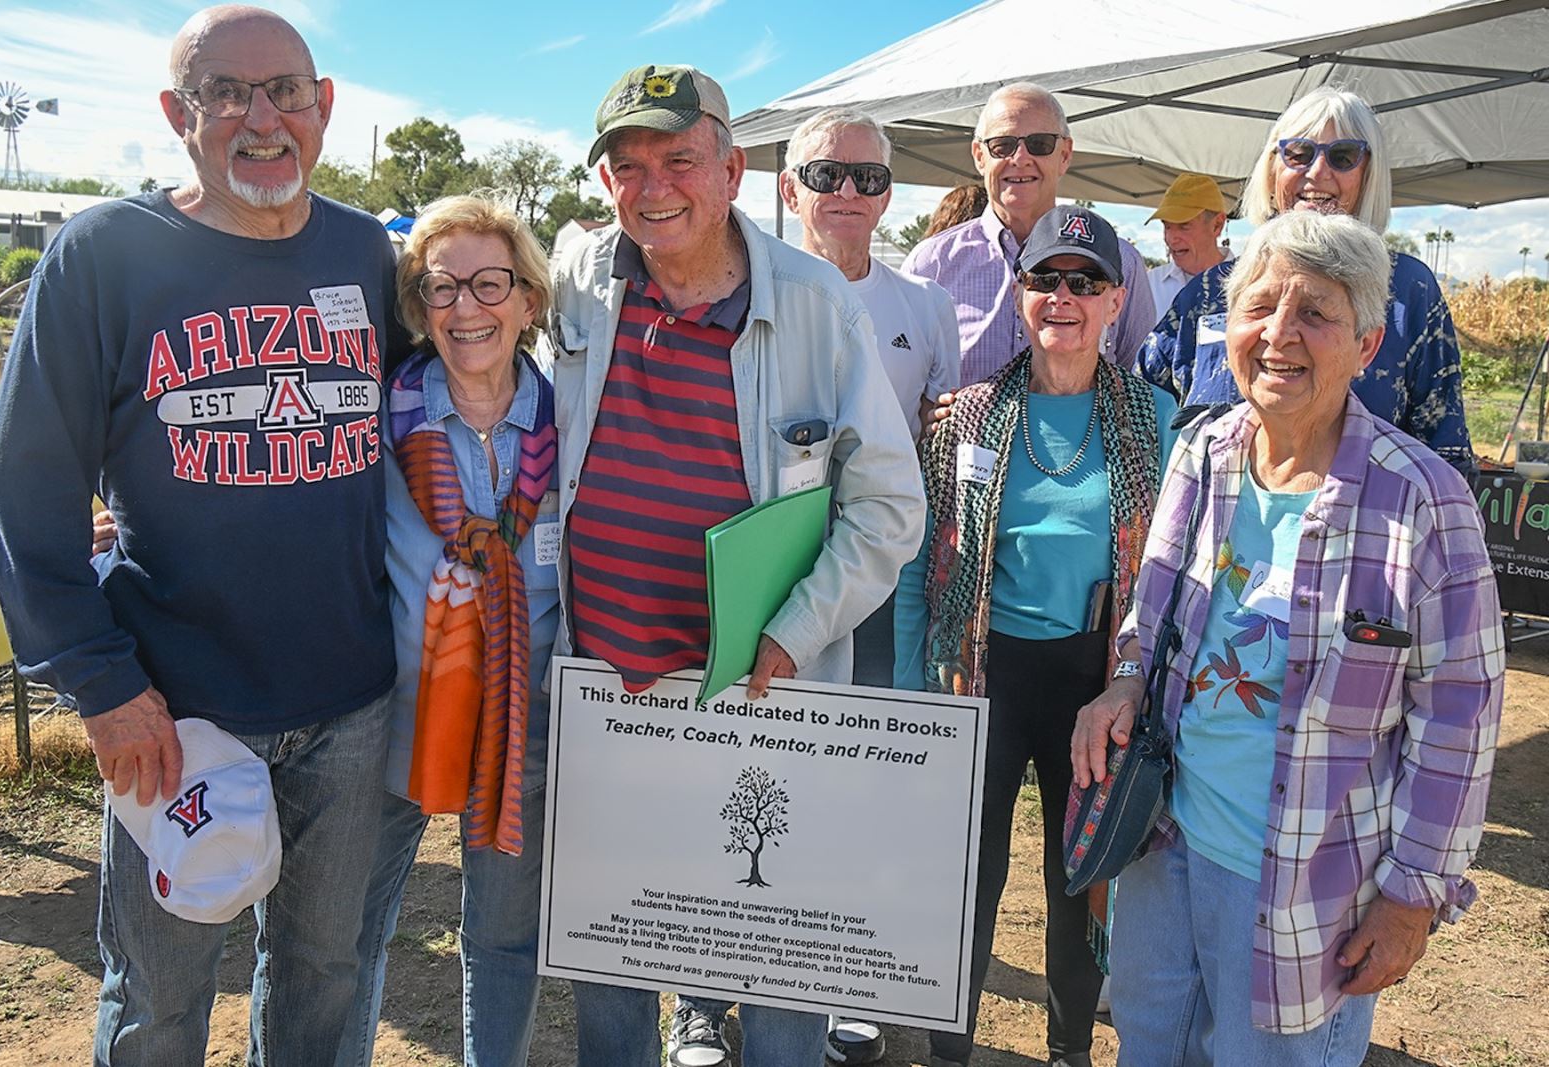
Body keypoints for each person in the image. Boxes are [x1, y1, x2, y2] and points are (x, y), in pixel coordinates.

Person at [0, 6, 405, 1064]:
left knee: (324, 978)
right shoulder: (105, 253)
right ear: (179, 114)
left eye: (286, 92)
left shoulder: (363, 249)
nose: (263, 119)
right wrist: (102, 683)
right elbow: (24, 495)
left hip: (350, 698)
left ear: (324, 108)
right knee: (161, 1000)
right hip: (176, 711)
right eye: (227, 92)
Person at [551, 65, 925, 1067]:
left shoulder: (810, 300)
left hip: (760, 698)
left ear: (732, 168)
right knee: (614, 968)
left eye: (678, 159)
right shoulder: (581, 279)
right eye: (626, 166)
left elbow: (890, 504)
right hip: (611, 695)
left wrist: (795, 630)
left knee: (777, 972)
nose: (652, 186)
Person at [1075, 210, 1503, 1065]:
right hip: (1167, 845)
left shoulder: (1425, 500)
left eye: (1315, 313)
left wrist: (1413, 894)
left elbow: (1460, 715)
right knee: (1148, 1044)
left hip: (1310, 885)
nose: (1279, 335)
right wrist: (1124, 679)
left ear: (1368, 344)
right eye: (1260, 307)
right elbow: (1149, 618)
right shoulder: (1203, 452)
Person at [896, 205, 1179, 1067]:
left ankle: (1068, 1050)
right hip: (982, 671)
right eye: (1045, 279)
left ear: (1115, 299)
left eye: (1084, 281)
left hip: (1096, 677)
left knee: (1081, 877)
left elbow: (1170, 568)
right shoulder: (969, 418)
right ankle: (950, 1050)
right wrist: (918, 694)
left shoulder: (1157, 419)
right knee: (968, 877)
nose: (1064, 296)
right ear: (1020, 297)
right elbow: (923, 562)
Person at [335, 196, 560, 1067]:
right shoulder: (376, 417)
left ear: (529, 299)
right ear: (419, 306)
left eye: (491, 283)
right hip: (390, 713)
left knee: (503, 940)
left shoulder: (569, 420)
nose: (468, 308)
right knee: (347, 936)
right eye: (443, 287)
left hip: (522, 723)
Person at [1136, 87, 1474, 473]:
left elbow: (1445, 454)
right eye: (1299, 153)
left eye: (1342, 156)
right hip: (1217, 521)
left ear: (1369, 175)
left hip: (1363, 527)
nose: (1317, 172)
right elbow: (1138, 410)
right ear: (1272, 167)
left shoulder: (1406, 290)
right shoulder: (1213, 288)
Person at [902, 83, 1157, 383]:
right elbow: (903, 383)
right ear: (979, 156)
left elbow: (1140, 381)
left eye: (1039, 143)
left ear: (1065, 155)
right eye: (1002, 145)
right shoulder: (932, 264)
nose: (1020, 157)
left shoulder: (1121, 262)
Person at [1144, 173, 1231, 319]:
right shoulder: (1149, 285)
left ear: (1217, 225)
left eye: (1184, 226)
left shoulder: (1249, 283)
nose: (1171, 239)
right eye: (1167, 227)